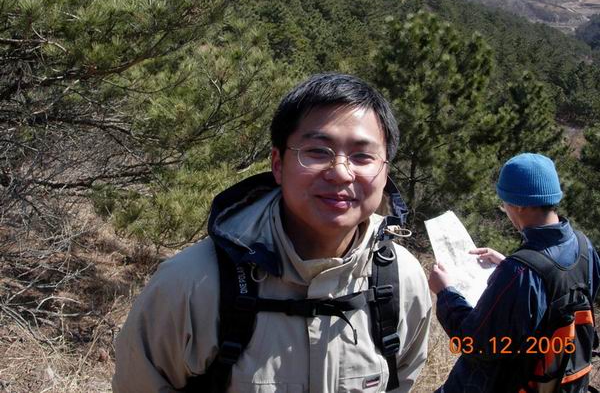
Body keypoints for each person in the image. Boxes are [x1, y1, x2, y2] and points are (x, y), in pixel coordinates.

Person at [113, 73, 432, 393]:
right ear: (278, 164)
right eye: (318, 151)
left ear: (385, 171)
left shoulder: (401, 282)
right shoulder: (193, 284)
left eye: (362, 156)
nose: (340, 173)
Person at [428, 153, 600, 392]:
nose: (506, 211)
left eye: (504, 204)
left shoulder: (520, 273)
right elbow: (557, 295)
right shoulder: (584, 247)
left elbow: (472, 342)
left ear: (519, 205)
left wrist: (445, 292)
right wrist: (510, 265)